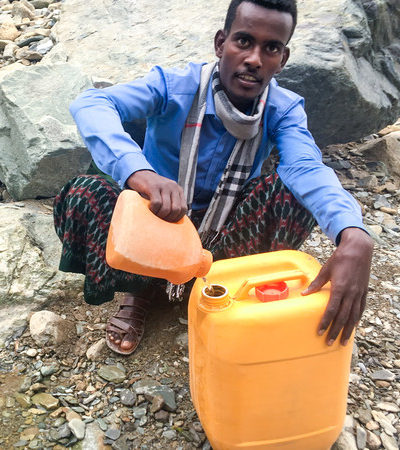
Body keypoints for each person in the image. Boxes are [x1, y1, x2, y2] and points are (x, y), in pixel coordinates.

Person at [53, 0, 374, 355]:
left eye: (271, 48)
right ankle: (139, 290)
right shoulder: (174, 86)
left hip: (222, 235)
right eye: (243, 41)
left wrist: (353, 234)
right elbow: (91, 104)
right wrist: (140, 173)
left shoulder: (283, 110)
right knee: (84, 191)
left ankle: (215, 286)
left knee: (291, 195)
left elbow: (306, 168)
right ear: (221, 43)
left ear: (282, 59)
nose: (254, 58)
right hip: (158, 219)